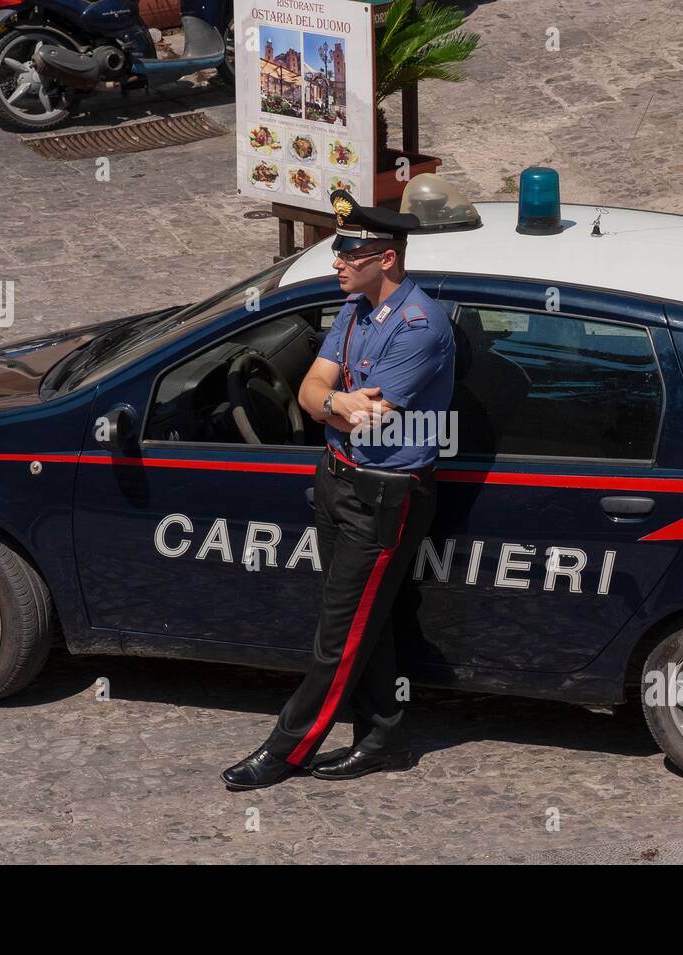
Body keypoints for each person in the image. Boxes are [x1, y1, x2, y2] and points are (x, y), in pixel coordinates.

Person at [221, 190, 455, 790]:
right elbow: (312, 392)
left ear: (389, 260)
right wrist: (333, 402)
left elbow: (368, 418)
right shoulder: (354, 310)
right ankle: (383, 738)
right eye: (339, 251)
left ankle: (287, 750)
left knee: (339, 636)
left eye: (351, 253)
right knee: (359, 622)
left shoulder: (419, 326)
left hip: (383, 495)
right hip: (337, 480)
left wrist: (335, 405)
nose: (337, 263)